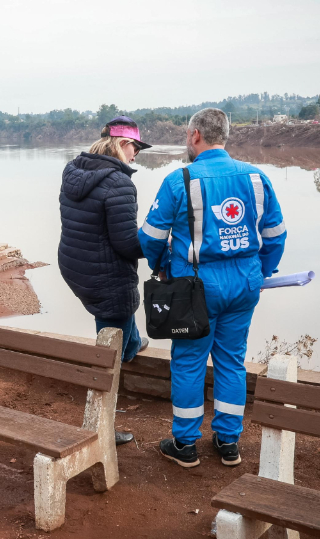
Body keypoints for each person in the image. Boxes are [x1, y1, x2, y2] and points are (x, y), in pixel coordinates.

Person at [138, 108, 287, 468]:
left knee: (189, 362)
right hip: (245, 285)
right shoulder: (256, 177)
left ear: (194, 136)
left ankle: (186, 445)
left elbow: (150, 237)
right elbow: (276, 236)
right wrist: (260, 274)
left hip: (195, 288)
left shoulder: (180, 179)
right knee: (232, 361)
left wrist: (160, 267)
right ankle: (228, 443)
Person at [58, 116, 153, 446]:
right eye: (136, 147)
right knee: (110, 357)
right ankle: (100, 424)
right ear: (122, 145)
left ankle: (131, 340)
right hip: (105, 275)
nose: (137, 154)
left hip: (76, 265)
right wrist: (158, 243)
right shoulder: (120, 183)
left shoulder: (73, 171)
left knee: (117, 326)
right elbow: (127, 244)